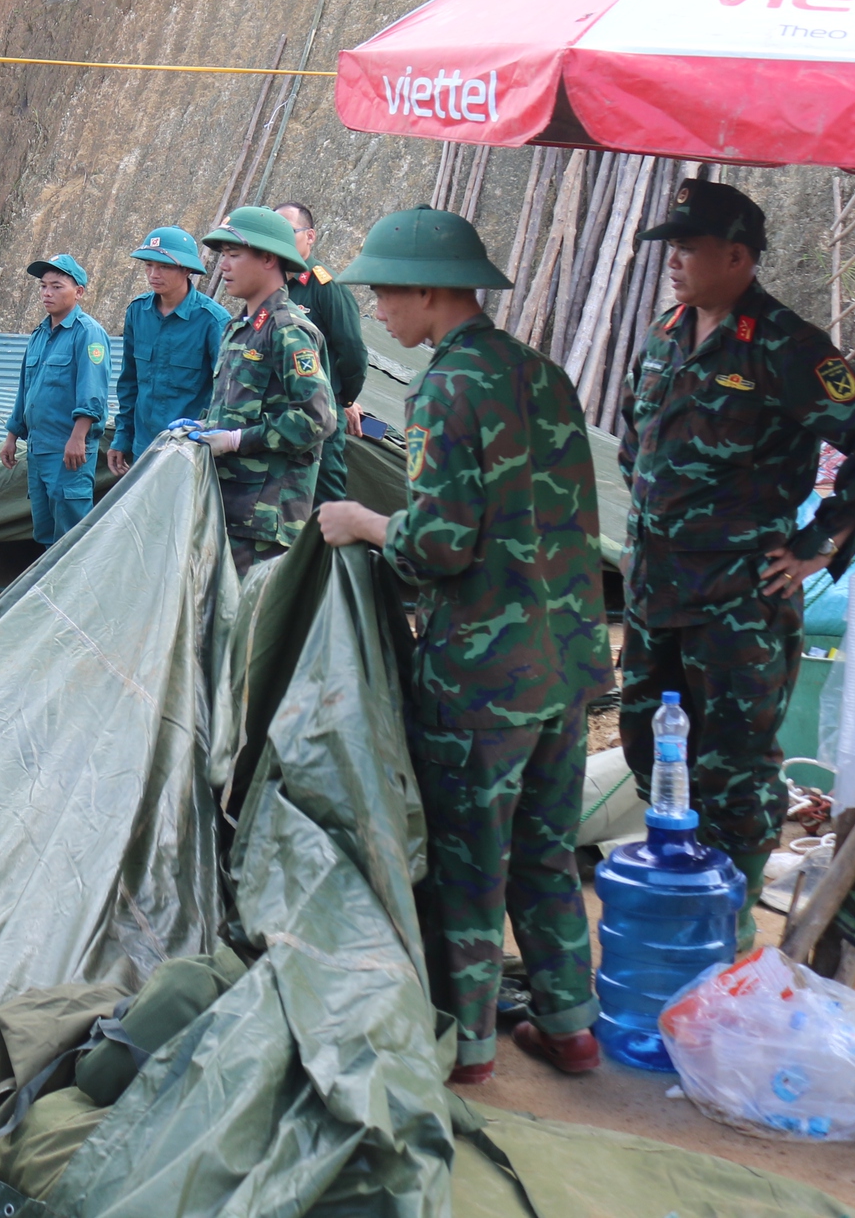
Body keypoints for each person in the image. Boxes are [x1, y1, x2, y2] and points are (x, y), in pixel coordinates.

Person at [314, 207, 608, 1085]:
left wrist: (363, 520)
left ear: (432, 293)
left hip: (485, 674)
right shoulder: (541, 371)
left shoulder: (446, 387)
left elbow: (440, 542)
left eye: (385, 291)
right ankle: (569, 1024)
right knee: (549, 849)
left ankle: (468, 1047)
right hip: (567, 659)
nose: (377, 306)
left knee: (470, 861)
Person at [618, 179, 855, 951]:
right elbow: (632, 435)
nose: (673, 262)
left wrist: (819, 543)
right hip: (654, 591)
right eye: (670, 247)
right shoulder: (667, 330)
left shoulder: (788, 344)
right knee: (652, 747)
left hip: (738, 598)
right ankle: (678, 889)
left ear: (738, 256)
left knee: (736, 766)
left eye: (689, 248)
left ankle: (731, 927)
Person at [192, 207, 335, 573]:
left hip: (264, 520)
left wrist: (238, 440)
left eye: (234, 255)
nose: (222, 265)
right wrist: (202, 429)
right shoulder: (239, 328)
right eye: (222, 255)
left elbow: (316, 419)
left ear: (269, 258)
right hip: (226, 507)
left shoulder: (288, 330)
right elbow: (233, 409)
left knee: (249, 626)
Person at [0, 255, 110, 545]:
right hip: (38, 449)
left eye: (57, 286)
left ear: (79, 292)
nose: (47, 293)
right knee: (45, 529)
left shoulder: (88, 334)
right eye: (43, 286)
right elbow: (26, 389)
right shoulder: (39, 334)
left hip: (68, 451)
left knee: (71, 530)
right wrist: (12, 436)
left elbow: (93, 391)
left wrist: (78, 438)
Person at [105, 226, 226, 477]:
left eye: (164, 267)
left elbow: (227, 394)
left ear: (186, 269)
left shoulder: (212, 321)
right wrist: (121, 437)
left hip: (189, 453)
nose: (153, 274)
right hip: (143, 448)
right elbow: (129, 382)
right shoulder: (138, 312)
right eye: (148, 265)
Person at [275, 202, 369, 504]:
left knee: (324, 501)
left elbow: (353, 351)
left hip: (321, 415)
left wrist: (342, 398)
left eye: (289, 232)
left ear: (310, 236)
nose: (280, 239)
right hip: (280, 415)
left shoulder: (325, 286)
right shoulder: (271, 284)